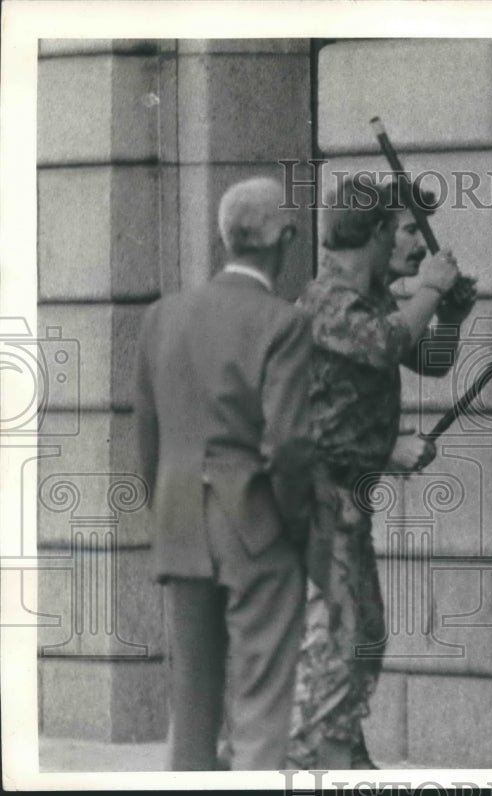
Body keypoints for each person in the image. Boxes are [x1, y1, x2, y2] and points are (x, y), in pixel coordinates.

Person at [287, 174, 473, 770]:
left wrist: (448, 316)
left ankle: (338, 751)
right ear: (376, 232)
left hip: (346, 498)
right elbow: (385, 344)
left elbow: (430, 360)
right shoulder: (329, 301)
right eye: (406, 228)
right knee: (339, 642)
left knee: (361, 635)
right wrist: (433, 291)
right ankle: (316, 758)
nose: (417, 244)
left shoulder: (374, 300)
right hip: (316, 498)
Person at [134, 177, 315, 770]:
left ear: (226, 236)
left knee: (192, 712)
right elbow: (288, 444)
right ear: (283, 238)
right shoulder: (283, 322)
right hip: (255, 523)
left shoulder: (163, 316)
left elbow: (149, 440)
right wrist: (295, 525)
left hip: (179, 519)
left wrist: (163, 510)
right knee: (261, 708)